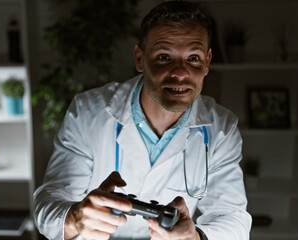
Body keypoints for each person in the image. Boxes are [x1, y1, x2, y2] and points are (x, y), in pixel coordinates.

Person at [34, 1, 252, 239]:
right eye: (163, 57)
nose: (180, 73)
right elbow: (48, 205)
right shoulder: (87, 113)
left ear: (208, 61)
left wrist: (195, 238)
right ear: (139, 59)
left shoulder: (221, 129)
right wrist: (74, 219)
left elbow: (232, 219)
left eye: (193, 59)